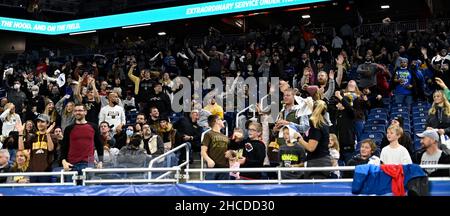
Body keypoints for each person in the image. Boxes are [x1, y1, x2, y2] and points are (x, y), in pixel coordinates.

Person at [61, 104, 103, 175]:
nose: (78, 112)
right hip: (71, 164)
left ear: (85, 112)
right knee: (72, 186)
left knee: (89, 186)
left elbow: (99, 145)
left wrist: (101, 161)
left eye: (80, 110)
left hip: (89, 164)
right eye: (76, 111)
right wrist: (63, 161)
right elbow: (64, 146)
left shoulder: (94, 127)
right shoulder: (68, 129)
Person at [297, 100, 332, 179]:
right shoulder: (324, 122)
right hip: (322, 161)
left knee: (314, 189)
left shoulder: (316, 125)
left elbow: (311, 147)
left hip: (317, 163)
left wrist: (299, 138)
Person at [17, 114, 56, 182]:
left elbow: (50, 149)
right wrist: (20, 134)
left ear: (47, 124)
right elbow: (21, 149)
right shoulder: (33, 137)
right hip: (33, 171)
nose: (40, 124)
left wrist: (47, 134)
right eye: (38, 122)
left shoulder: (52, 136)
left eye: (42, 122)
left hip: (46, 171)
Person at [201, 114, 229, 180]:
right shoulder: (208, 134)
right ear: (217, 121)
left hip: (225, 167)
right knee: (210, 188)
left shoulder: (225, 136)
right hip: (213, 167)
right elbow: (203, 151)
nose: (223, 121)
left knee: (223, 189)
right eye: (221, 120)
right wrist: (208, 160)